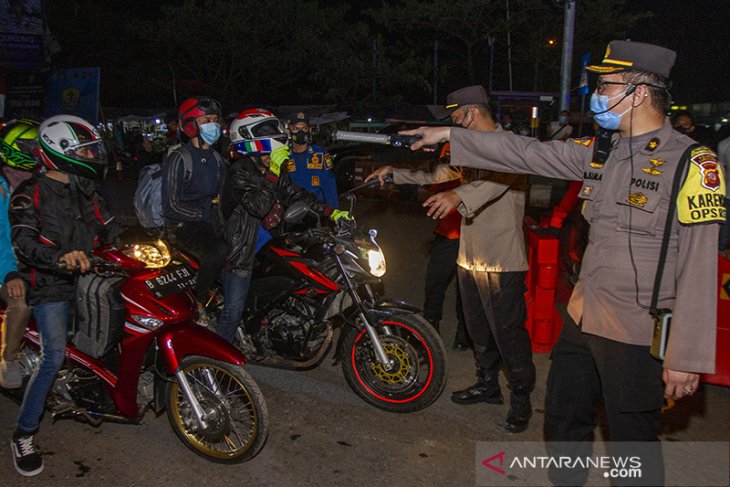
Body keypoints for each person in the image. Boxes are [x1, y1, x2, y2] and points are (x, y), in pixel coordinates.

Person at [402, 40, 724, 486]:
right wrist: (454, 135)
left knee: (632, 444)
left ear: (640, 92)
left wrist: (686, 356)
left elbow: (699, 265)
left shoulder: (692, 163)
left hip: (635, 333)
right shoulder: (602, 150)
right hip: (583, 317)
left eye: (606, 85)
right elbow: (528, 153)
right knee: (562, 422)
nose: (597, 94)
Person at [367, 85, 535, 433]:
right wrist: (393, 172)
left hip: (503, 259)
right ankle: (487, 384)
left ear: (471, 113)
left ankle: (521, 397)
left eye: (456, 118)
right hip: (470, 257)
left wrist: (458, 195)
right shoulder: (470, 150)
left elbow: (499, 179)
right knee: (477, 329)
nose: (453, 125)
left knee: (508, 332)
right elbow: (438, 174)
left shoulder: (511, 146)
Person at [9, 114, 124, 476]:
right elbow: (24, 243)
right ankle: (24, 433)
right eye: (85, 151)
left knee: (113, 333)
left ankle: (93, 394)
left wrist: (141, 241)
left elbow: (108, 225)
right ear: (59, 152)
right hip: (50, 284)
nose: (92, 157)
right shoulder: (29, 192)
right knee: (54, 355)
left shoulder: (84, 187)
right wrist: (59, 258)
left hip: (90, 277)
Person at [219, 108, 349, 343]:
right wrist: (274, 170)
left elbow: (298, 195)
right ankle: (218, 360)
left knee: (288, 289)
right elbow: (258, 206)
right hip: (242, 252)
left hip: (270, 245)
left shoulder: (270, 170)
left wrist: (333, 212)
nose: (274, 158)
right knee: (233, 310)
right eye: (270, 153)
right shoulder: (239, 172)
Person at [161, 96, 228, 326]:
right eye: (206, 120)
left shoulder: (218, 161)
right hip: (184, 225)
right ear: (191, 125)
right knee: (218, 250)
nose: (213, 125)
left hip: (210, 222)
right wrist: (204, 214)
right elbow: (170, 205)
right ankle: (198, 301)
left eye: (215, 120)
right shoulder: (179, 159)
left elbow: (222, 197)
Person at [0, 119, 34, 389]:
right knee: (20, 301)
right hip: (5, 262)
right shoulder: (2, 188)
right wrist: (8, 272)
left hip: (27, 256)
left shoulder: (36, 183)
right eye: (30, 147)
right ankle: (8, 359)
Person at [284, 112, 339, 208]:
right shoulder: (283, 155)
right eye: (296, 129)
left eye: (304, 128)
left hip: (316, 211)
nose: (300, 132)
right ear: (288, 130)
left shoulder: (320, 154)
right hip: (290, 212)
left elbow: (329, 185)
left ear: (309, 130)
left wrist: (334, 211)